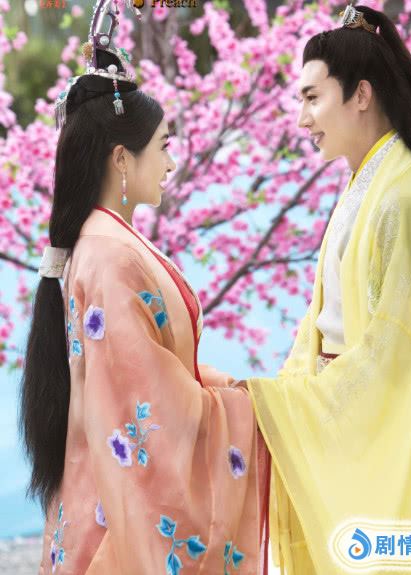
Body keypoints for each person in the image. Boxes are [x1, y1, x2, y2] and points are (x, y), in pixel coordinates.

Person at [19, 1, 269, 573]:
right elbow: (148, 408)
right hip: (115, 518)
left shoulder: (104, 240)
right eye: (163, 146)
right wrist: (245, 409)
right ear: (121, 159)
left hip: (100, 493)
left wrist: (232, 388)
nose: (172, 162)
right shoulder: (109, 255)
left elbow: (155, 369)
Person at [244, 5, 411, 574]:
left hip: (376, 437)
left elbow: (395, 358)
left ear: (361, 94)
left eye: (312, 98)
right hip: (342, 417)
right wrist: (280, 393)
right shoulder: (368, 187)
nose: (301, 119)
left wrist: (285, 406)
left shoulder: (408, 200)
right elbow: (319, 324)